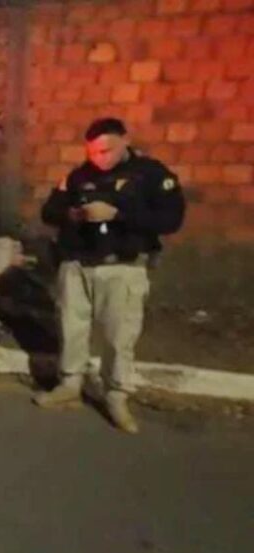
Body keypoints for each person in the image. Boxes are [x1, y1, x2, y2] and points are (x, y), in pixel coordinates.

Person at [35, 117, 186, 433]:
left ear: (125, 141)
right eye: (93, 152)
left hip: (122, 267)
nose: (99, 159)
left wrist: (119, 214)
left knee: (120, 335)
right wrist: (72, 214)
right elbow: (49, 211)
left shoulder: (150, 174)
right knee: (71, 327)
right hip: (77, 264)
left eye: (106, 151)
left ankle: (116, 394)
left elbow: (171, 219)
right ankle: (70, 385)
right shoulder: (79, 176)